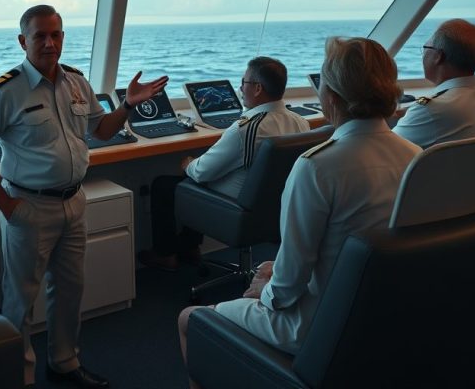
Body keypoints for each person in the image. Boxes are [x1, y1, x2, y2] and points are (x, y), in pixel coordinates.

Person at [177, 37, 419, 385]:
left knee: (190, 320)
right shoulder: (415, 156)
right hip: (379, 312)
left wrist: (267, 290)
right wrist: (276, 272)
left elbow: (288, 287)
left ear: (331, 96)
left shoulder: (318, 167)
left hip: (316, 324)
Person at [0, 4, 168, 389]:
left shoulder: (76, 81)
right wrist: (6, 205)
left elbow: (102, 131)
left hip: (74, 202)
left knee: (71, 289)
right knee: (20, 300)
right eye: (39, 35)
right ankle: (18, 377)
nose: (49, 42)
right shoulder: (5, 90)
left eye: (55, 34)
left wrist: (126, 105)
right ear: (23, 41)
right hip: (29, 206)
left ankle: (63, 361)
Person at [136, 57, 310, 272]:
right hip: (277, 207)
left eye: (243, 82)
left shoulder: (246, 128)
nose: (240, 87)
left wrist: (188, 164)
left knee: (165, 184)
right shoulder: (301, 122)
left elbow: (201, 172)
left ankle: (165, 254)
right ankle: (190, 247)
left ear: (257, 89)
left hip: (240, 210)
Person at [393, 19, 475, 148]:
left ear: (438, 56)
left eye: (426, 48)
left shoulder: (430, 108)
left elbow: (387, 147)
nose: (422, 55)